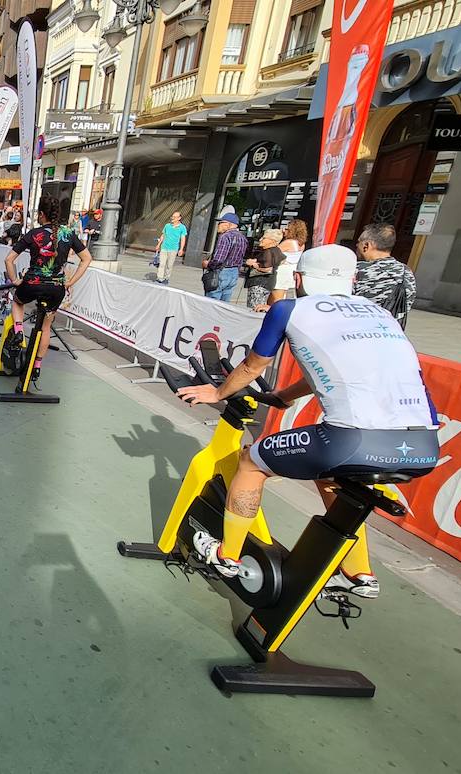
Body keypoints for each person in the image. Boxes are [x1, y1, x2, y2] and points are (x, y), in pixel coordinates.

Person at [176, 244, 439, 599]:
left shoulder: (288, 308)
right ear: (353, 279)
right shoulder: (379, 313)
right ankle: (359, 574)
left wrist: (218, 393)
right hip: (423, 446)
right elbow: (352, 369)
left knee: (251, 463)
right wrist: (285, 396)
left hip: (352, 440)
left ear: (298, 278)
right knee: (337, 480)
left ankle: (227, 556)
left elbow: (254, 366)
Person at [4, 195, 93, 386]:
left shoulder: (34, 234)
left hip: (33, 282)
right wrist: (70, 282)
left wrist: (15, 279)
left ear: (41, 214)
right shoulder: (68, 234)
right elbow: (87, 258)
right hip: (56, 287)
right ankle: (36, 366)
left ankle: (19, 331)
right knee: (45, 326)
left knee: (18, 301)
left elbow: (8, 259)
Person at [354, 223, 416, 325]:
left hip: (359, 333)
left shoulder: (358, 270)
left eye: (359, 242)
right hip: (392, 333)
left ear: (366, 246)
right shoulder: (407, 272)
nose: (357, 245)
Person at [263, 218, 308, 310]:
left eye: (287, 229)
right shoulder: (301, 244)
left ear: (293, 230)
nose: (284, 230)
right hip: (292, 271)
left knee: (277, 298)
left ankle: (274, 316)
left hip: (282, 272)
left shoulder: (288, 242)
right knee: (278, 297)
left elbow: (271, 254)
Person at [204, 212, 247, 303]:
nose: (218, 225)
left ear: (228, 224)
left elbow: (219, 259)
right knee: (225, 302)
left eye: (220, 223)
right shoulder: (242, 238)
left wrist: (208, 264)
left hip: (222, 271)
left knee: (212, 300)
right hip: (234, 272)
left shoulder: (225, 236)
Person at [244, 228, 285, 310]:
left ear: (272, 241)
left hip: (259, 284)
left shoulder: (268, 251)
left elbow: (268, 268)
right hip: (267, 283)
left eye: (264, 238)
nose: (260, 239)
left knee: (254, 308)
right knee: (260, 307)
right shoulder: (276, 250)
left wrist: (252, 264)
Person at [155, 211, 187, 285]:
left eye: (175, 217)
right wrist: (159, 244)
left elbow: (183, 239)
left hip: (173, 249)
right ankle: (159, 278)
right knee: (162, 264)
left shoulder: (182, 227)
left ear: (179, 218)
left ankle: (166, 278)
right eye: (172, 216)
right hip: (164, 247)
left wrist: (181, 249)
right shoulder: (167, 225)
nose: (173, 218)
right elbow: (163, 235)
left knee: (169, 265)